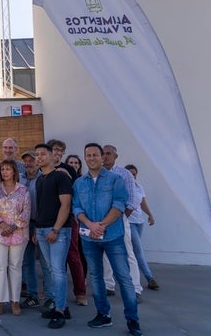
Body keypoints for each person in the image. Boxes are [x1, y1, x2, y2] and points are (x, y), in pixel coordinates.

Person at [72, 143, 142, 336]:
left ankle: (133, 320)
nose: (92, 158)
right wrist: (90, 225)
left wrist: (101, 225)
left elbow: (119, 205)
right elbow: (76, 208)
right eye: (88, 155)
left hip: (113, 237)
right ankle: (103, 314)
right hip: (89, 239)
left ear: (102, 157)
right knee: (96, 277)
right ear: (85, 158)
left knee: (123, 278)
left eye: (95, 154)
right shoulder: (79, 183)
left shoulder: (115, 179)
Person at [33, 143, 72, 329]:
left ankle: (60, 311)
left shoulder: (60, 177)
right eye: (37, 155)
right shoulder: (40, 179)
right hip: (41, 230)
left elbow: (65, 205)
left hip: (58, 231)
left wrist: (55, 229)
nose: (39, 157)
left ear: (51, 155)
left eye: (42, 154)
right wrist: (37, 230)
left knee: (58, 271)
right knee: (50, 269)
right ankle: (60, 304)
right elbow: (40, 207)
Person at [48, 139, 88, 307]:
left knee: (73, 256)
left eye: (61, 151)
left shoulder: (69, 170)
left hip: (68, 219)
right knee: (53, 261)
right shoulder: (43, 169)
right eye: (55, 150)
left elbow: (75, 194)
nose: (58, 153)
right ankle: (54, 292)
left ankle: (80, 292)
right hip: (48, 220)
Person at [102, 145, 144, 300]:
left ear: (115, 156)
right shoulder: (97, 174)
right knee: (104, 254)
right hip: (101, 222)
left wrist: (121, 217)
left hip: (119, 220)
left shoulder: (124, 174)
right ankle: (108, 285)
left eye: (108, 153)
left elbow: (132, 200)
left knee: (127, 253)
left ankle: (135, 289)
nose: (105, 156)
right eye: (103, 154)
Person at [0, 159, 30, 316]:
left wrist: (13, 226)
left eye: (8, 169)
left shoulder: (23, 190)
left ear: (14, 171)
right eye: (2, 169)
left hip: (18, 233)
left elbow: (26, 211)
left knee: (15, 267)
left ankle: (15, 301)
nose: (4, 172)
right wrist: (1, 225)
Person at [124, 164, 159, 291]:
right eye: (130, 173)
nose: (132, 176)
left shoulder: (139, 187)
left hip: (139, 222)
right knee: (138, 251)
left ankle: (128, 275)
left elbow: (143, 203)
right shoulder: (123, 187)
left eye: (134, 174)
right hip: (129, 222)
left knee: (132, 251)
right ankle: (150, 278)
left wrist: (150, 214)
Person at [19, 151, 43, 308]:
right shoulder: (19, 178)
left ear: (38, 162)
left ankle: (51, 296)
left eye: (31, 160)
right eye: (26, 161)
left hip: (40, 224)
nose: (28, 163)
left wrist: (38, 228)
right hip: (24, 225)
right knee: (27, 261)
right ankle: (33, 294)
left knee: (47, 264)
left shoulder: (43, 179)